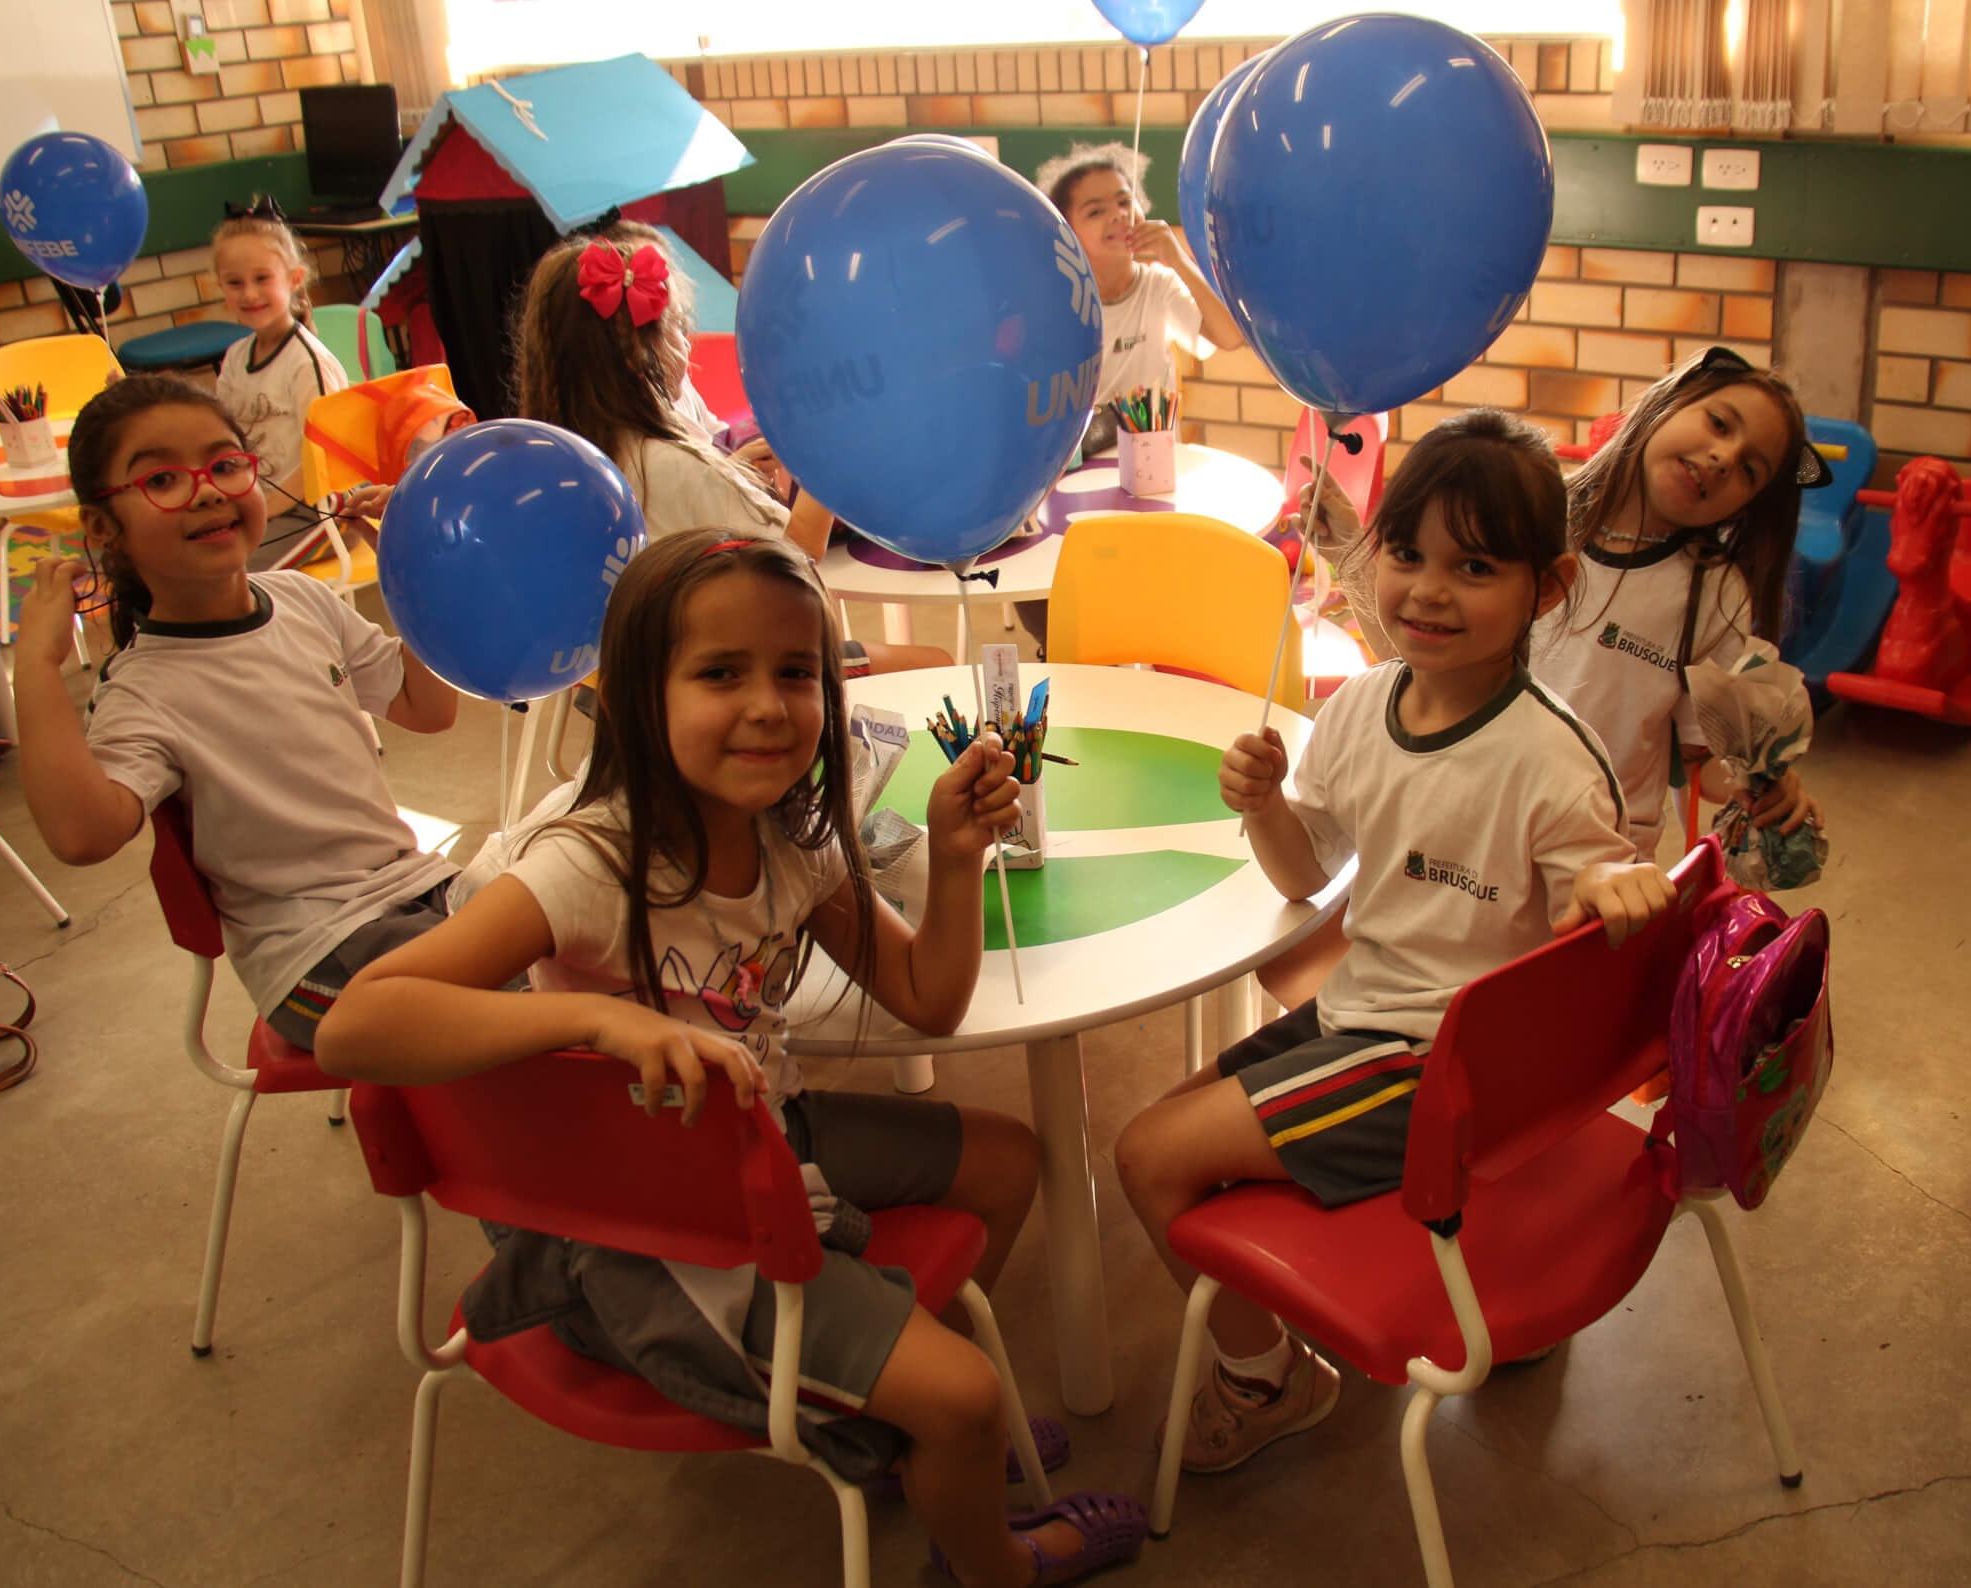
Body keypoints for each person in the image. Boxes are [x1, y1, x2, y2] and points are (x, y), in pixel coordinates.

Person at [314, 530, 1148, 1587]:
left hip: (756, 1140)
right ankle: (992, 1557)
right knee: (969, 1399)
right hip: (643, 1229)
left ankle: (886, 1405)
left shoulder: (792, 841)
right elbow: (357, 1023)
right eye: (719, 673)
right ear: (627, 700)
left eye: (795, 672)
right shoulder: (584, 864)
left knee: (1005, 1162)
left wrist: (948, 852)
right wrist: (595, 1023)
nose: (767, 705)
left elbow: (929, 1002)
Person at [1114, 410, 1674, 1474]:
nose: (1424, 590)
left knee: (1144, 1160)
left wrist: (1612, 885)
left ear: (1544, 590)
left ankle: (1266, 1380)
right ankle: (1288, 1331)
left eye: (1472, 566)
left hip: (1438, 1069)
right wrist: (1267, 805)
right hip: (1357, 1015)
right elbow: (1301, 875)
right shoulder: (1362, 704)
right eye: (1407, 552)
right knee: (1161, 1133)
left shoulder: (1553, 761)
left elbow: (1594, 880)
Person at [10, 375, 460, 1052]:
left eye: (224, 465)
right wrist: (38, 669)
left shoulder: (302, 602)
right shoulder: (143, 690)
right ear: (105, 529)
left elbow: (429, 709)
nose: (210, 490)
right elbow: (82, 837)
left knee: (580, 895)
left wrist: (412, 568)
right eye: (163, 480)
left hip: (417, 893)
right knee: (541, 985)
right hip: (316, 953)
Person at [513, 226, 948, 674]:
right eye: (675, 330)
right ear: (634, 353)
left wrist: (730, 473)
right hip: (737, 670)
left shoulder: (575, 463)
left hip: (634, 670)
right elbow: (798, 550)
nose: (687, 344)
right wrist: (835, 451)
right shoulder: (670, 462)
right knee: (936, 663)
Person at [1534, 345, 1829, 859]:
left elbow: (1699, 760)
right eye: (1719, 423)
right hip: (1477, 823)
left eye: (1750, 470)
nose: (1723, 458)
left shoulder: (1715, 591)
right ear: (1669, 401)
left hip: (1603, 856)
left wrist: (1764, 785)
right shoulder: (1531, 515)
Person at [1035, 142, 1243, 457]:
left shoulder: (1159, 285)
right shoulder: (1057, 305)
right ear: (1067, 232)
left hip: (1153, 466)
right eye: (1095, 211)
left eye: (1124, 201)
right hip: (1079, 471)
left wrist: (1176, 258)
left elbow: (1230, 336)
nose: (1119, 215)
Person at [209, 200, 351, 572]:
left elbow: (324, 462)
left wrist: (259, 511)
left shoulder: (306, 361)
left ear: (294, 279)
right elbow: (218, 438)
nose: (249, 294)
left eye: (262, 278)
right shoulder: (236, 357)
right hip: (261, 506)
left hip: (319, 512)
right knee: (194, 559)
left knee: (233, 570)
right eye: (235, 283)